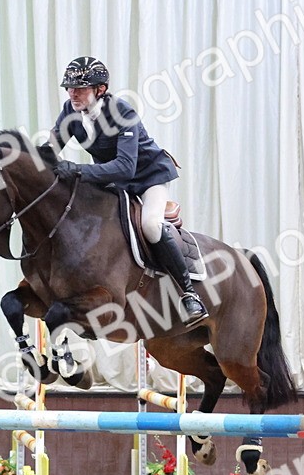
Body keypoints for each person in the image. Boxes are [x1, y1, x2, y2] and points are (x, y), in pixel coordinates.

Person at [49, 56, 207, 327]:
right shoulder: (70, 110)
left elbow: (124, 167)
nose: (73, 93)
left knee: (150, 225)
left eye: (81, 88)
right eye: (70, 88)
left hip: (148, 177)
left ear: (100, 89)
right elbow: (49, 151)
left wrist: (76, 170)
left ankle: (189, 294)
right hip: (114, 181)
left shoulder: (122, 113)